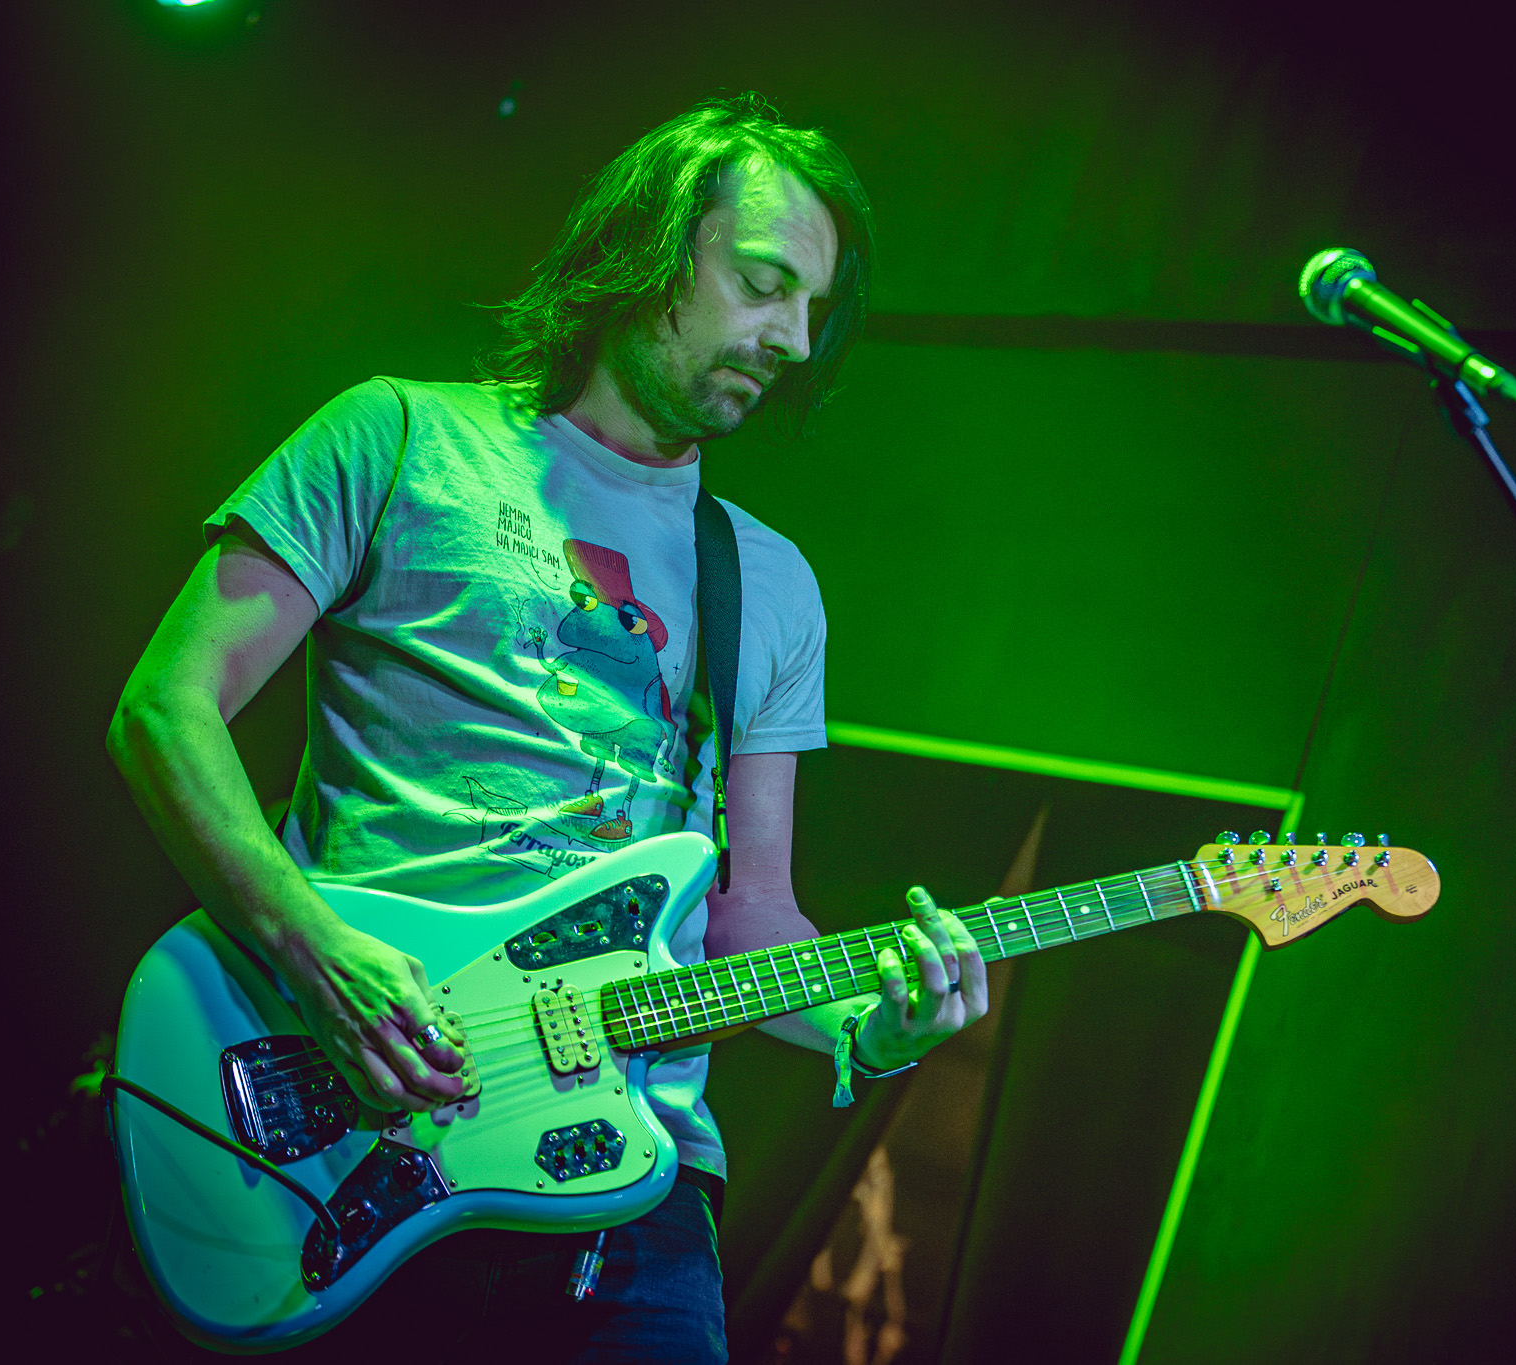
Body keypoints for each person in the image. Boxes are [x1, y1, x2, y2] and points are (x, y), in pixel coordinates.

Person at [106, 93, 987, 1361]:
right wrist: (314, 951)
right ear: (648, 247)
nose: (791, 339)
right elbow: (166, 708)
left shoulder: (768, 585)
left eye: (811, 309)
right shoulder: (399, 436)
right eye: (760, 284)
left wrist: (870, 1030)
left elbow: (750, 919)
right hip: (366, 1109)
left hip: (633, 1179)